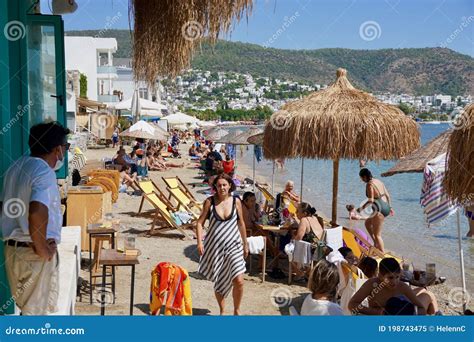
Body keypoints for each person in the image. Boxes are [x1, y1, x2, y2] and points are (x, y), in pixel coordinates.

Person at [1, 122, 70, 315]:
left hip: (14, 251)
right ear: (58, 149)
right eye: (65, 147)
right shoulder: (43, 172)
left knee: (29, 312)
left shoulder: (15, 168)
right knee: (36, 318)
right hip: (33, 252)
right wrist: (42, 247)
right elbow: (37, 210)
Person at [196, 173, 248, 315]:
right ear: (215, 187)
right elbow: (200, 223)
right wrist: (200, 242)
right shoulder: (209, 202)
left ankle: (237, 310)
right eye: (219, 185)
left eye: (224, 184)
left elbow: (241, 223)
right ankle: (222, 310)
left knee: (239, 280)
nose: (222, 188)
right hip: (215, 248)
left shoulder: (236, 201)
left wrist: (245, 243)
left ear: (230, 185)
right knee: (220, 281)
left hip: (234, 246)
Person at [348, 258, 439, 315]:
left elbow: (421, 308)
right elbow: (352, 304)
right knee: (429, 295)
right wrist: (377, 312)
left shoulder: (402, 286)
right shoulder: (371, 285)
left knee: (427, 293)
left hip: (404, 313)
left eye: (397, 277)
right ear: (380, 276)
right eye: (390, 278)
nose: (394, 281)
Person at [356, 168, 393, 253]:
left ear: (365, 177)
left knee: (377, 234)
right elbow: (387, 195)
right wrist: (390, 207)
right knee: (367, 223)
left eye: (361, 178)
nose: (362, 180)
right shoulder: (378, 181)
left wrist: (361, 208)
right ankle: (376, 244)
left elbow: (371, 200)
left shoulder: (369, 185)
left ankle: (382, 253)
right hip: (385, 206)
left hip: (379, 210)